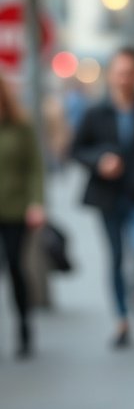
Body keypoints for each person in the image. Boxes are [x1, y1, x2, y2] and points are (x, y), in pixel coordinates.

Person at [71, 47, 134, 348]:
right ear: (111, 75)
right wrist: (100, 160)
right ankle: (122, 321)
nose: (124, 79)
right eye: (119, 72)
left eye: (129, 73)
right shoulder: (95, 112)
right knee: (115, 257)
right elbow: (77, 149)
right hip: (108, 196)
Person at [0, 72, 45, 357]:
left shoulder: (20, 126)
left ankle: (24, 325)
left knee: (16, 268)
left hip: (16, 209)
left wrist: (36, 203)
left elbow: (35, 167)